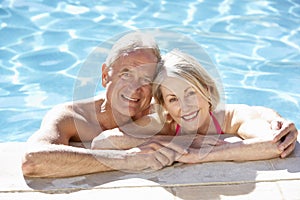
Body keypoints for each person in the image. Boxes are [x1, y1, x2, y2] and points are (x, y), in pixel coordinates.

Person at [21, 31, 187, 178]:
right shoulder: (73, 116)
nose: (134, 88)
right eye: (126, 74)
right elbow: (32, 161)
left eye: (146, 79)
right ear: (105, 76)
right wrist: (128, 159)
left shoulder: (162, 115)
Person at [92, 49, 298, 163]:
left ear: (207, 90)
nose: (186, 106)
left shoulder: (231, 116)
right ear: (165, 106)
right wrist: (173, 142)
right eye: (173, 99)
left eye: (190, 93)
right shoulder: (165, 124)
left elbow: (274, 143)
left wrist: (204, 154)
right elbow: (102, 142)